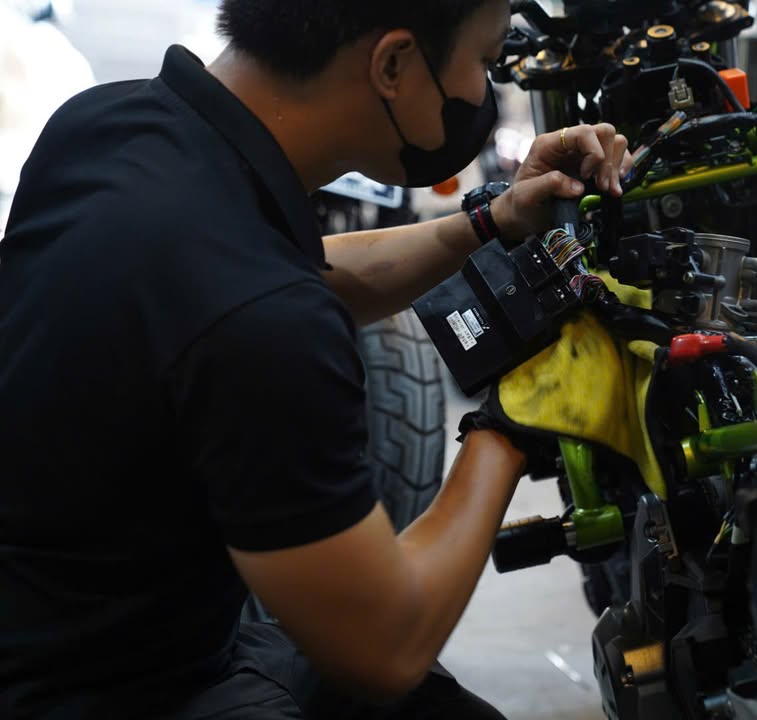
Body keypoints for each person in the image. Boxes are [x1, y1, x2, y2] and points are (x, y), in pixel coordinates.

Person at [0, 0, 631, 717]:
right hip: (117, 690)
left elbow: (287, 276)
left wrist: (491, 219)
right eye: (484, 62)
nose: (482, 91)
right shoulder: (258, 320)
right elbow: (385, 648)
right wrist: (512, 427)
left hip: (61, 626)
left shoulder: (107, 126)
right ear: (393, 64)